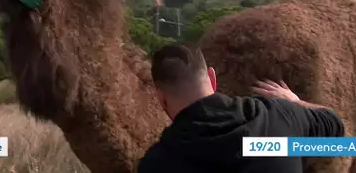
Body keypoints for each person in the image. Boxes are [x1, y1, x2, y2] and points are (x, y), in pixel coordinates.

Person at [138, 43, 345, 173]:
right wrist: (293, 101)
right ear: (212, 77)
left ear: (161, 98)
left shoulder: (158, 163)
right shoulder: (279, 117)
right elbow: (335, 126)